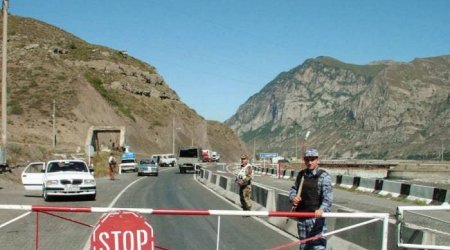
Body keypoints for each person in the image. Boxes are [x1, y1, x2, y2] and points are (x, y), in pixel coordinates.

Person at [289, 148, 333, 250]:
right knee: (304, 247)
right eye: (307, 159)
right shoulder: (301, 175)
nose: (309, 162)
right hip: (302, 219)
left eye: (312, 159)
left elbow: (328, 198)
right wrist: (293, 198)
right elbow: (293, 189)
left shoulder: (324, 177)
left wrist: (322, 209)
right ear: (304, 160)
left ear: (317, 160)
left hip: (316, 220)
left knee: (318, 247)